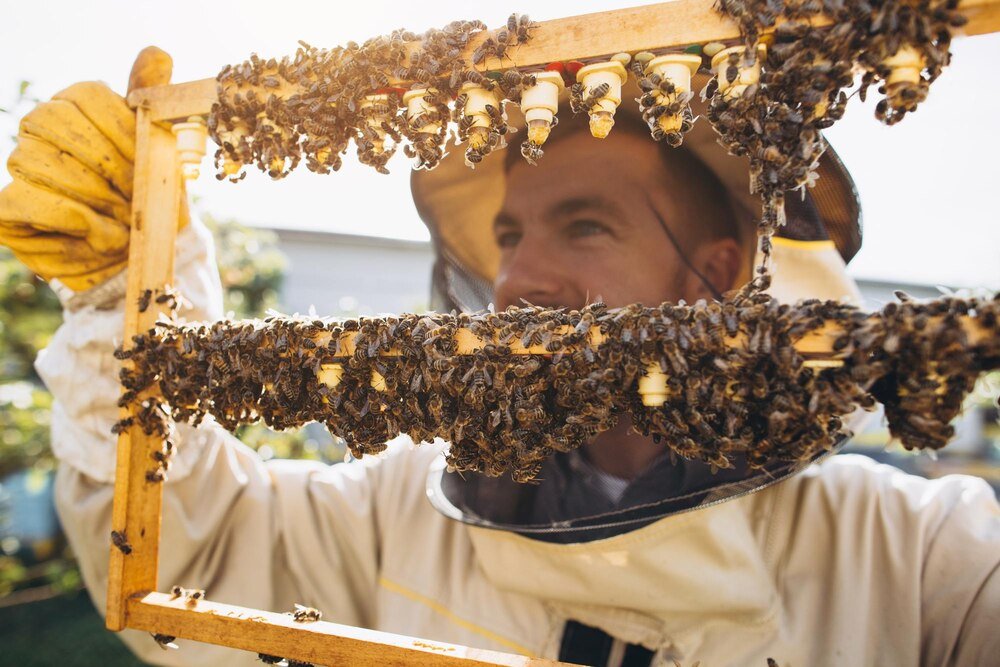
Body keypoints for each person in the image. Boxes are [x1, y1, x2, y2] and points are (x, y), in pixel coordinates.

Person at [0, 48, 997, 667]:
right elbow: (195, 559)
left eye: (585, 225)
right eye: (512, 236)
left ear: (713, 271)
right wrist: (127, 290)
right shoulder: (399, 511)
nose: (518, 280)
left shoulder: (917, 560)